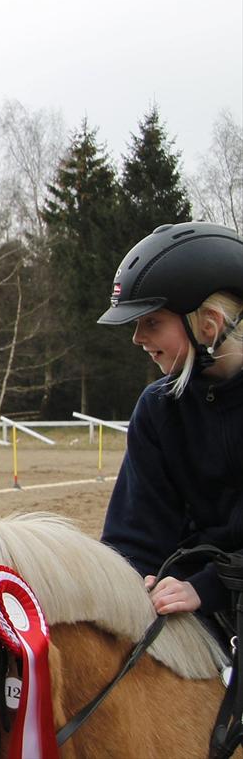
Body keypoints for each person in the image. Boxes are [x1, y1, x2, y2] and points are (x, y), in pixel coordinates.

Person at [98, 221, 243, 633]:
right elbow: (135, 534)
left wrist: (209, 586)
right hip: (193, 598)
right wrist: (128, 579)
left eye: (151, 322)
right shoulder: (157, 408)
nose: (137, 338)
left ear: (209, 324)